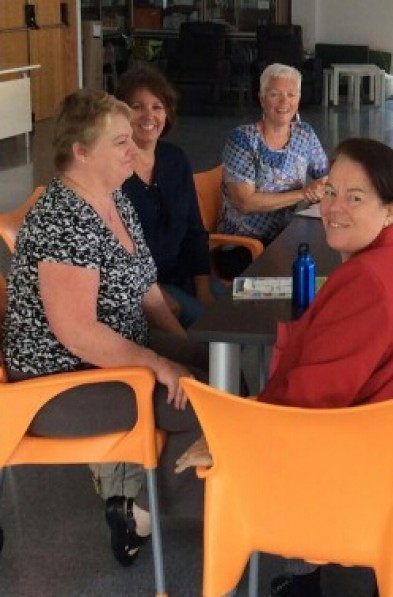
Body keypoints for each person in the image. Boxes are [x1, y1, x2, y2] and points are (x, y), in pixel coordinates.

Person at [176, 138, 393, 596]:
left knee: (208, 456)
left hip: (366, 487)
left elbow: (309, 400)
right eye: (330, 191)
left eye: (355, 197)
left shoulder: (368, 283)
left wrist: (229, 437)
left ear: (390, 211)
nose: (334, 208)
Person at [1, 89, 202, 568]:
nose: (134, 149)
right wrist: (161, 363)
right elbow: (78, 333)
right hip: (56, 384)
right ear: (81, 152)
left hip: (111, 354)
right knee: (201, 401)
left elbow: (147, 289)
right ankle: (146, 513)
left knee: (217, 366)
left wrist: (183, 346)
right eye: (120, 142)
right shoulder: (63, 216)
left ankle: (149, 501)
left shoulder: (113, 198)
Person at [115, 64, 218, 327]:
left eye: (157, 106)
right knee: (212, 331)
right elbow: (117, 257)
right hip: (143, 289)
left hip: (185, 276)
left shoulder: (175, 160)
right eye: (137, 107)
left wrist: (204, 288)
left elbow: (195, 230)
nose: (148, 115)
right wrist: (155, 294)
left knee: (240, 315)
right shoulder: (112, 171)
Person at [216, 63, 329, 277]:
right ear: (261, 98)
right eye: (275, 94)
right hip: (243, 245)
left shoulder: (304, 133)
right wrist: (304, 193)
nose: (284, 102)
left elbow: (326, 176)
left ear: (299, 97)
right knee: (305, 275)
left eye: (291, 94)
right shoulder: (243, 140)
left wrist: (327, 186)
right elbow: (245, 203)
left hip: (285, 236)